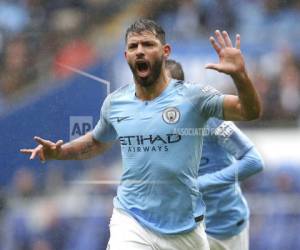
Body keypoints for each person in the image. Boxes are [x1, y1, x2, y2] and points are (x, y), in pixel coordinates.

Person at [20, 19, 261, 250]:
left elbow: (249, 112)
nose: (140, 51)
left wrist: (240, 76)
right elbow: (96, 141)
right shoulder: (115, 103)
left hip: (191, 227)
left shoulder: (196, 100)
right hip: (132, 218)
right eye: (133, 46)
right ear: (126, 56)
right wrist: (61, 152)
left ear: (165, 51)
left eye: (148, 44)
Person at [166, 59, 264, 250]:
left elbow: (253, 161)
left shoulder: (208, 117)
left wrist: (202, 184)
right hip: (183, 227)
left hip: (223, 228)